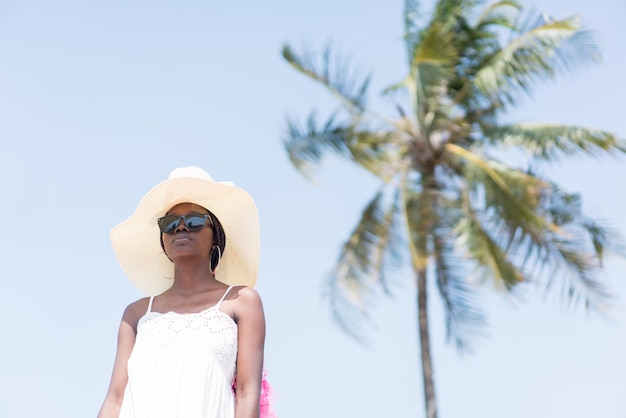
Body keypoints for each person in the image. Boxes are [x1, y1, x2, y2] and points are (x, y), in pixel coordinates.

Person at [98, 166, 269, 418]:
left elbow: (247, 393)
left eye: (194, 221)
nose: (180, 228)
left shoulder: (241, 302)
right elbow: (115, 399)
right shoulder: (136, 314)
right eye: (170, 223)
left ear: (216, 236)